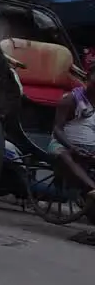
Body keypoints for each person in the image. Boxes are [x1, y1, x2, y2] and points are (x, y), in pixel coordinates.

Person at [49, 70, 95, 219]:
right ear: (88, 78)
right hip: (62, 145)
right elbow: (57, 129)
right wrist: (72, 148)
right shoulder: (70, 99)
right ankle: (92, 188)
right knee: (66, 156)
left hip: (89, 149)